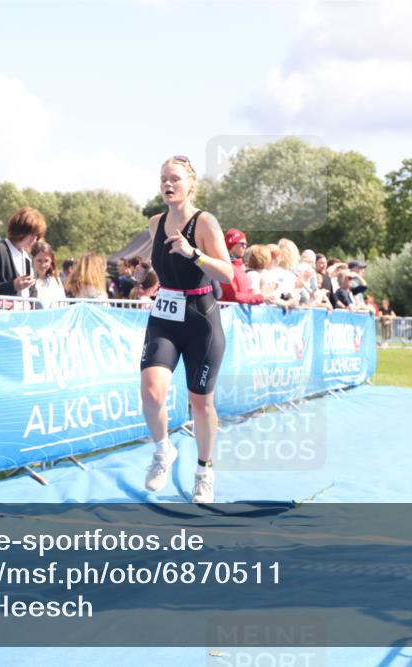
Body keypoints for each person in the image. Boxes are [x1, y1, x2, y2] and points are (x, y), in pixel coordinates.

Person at [141, 155, 233, 504]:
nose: (167, 184)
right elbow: (164, 266)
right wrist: (148, 278)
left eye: (175, 179)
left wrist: (193, 253)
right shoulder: (155, 223)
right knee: (152, 393)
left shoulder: (205, 222)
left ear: (191, 184)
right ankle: (163, 450)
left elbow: (227, 273)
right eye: (163, 178)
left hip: (200, 318)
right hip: (164, 315)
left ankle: (204, 471)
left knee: (200, 402)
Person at [0, 207, 46, 308]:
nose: (35, 239)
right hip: (0, 315)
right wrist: (13, 286)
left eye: (37, 235)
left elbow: (32, 291)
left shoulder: (28, 257)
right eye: (32, 234)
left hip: (23, 315)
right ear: (20, 230)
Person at [218, 228, 269, 305]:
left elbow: (245, 294)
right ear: (231, 245)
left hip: (238, 311)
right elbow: (235, 297)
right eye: (242, 244)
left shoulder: (240, 267)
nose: (245, 247)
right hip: (229, 311)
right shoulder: (226, 267)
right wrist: (260, 297)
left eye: (246, 244)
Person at [31, 240, 67, 308]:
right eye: (39, 261)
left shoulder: (55, 280)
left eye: (46, 261)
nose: (43, 265)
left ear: (51, 261)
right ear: (32, 259)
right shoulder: (29, 281)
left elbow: (63, 303)